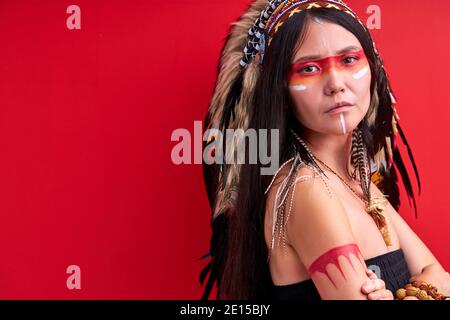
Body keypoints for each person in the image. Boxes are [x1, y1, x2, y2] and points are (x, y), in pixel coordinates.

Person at [199, 0, 450, 300]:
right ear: (279, 87)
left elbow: (439, 273)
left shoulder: (356, 181)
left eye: (348, 60)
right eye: (309, 68)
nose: (335, 83)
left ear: (373, 67)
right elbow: (440, 284)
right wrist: (425, 291)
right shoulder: (307, 189)